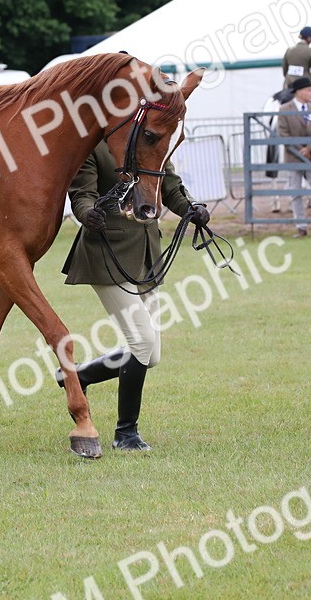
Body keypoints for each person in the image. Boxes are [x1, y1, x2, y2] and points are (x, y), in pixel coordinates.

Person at [60, 139, 207, 451]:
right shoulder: (94, 144)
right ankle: (126, 434)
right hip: (107, 255)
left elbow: (170, 187)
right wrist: (88, 214)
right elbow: (82, 194)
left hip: (145, 256)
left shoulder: (153, 141)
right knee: (142, 341)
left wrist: (192, 209)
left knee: (150, 355)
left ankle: (78, 376)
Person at [277, 77, 311, 237]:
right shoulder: (284, 110)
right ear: (299, 92)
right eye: (309, 90)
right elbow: (283, 133)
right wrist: (301, 150)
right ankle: (301, 226)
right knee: (296, 192)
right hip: (293, 158)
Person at [282, 26, 311, 100]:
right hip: (306, 82)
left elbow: (284, 69)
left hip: (288, 83)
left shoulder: (289, 50)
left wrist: (289, 77)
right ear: (309, 38)